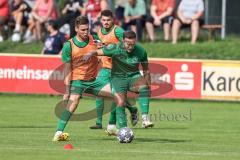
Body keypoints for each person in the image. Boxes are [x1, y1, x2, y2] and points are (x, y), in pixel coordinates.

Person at [52, 16, 128, 141]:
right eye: (83, 30)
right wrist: (66, 91)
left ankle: (115, 128)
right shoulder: (68, 46)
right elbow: (67, 69)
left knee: (119, 95)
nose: (86, 32)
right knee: (74, 102)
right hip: (78, 80)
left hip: (94, 80)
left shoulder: (94, 39)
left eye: (87, 29)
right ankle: (58, 133)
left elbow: (105, 49)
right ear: (76, 29)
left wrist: (110, 49)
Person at [84, 31, 154, 129]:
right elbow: (97, 52)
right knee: (120, 102)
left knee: (144, 87)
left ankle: (145, 119)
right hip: (118, 78)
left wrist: (149, 88)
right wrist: (90, 53)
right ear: (122, 41)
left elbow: (146, 71)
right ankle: (123, 129)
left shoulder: (141, 51)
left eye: (133, 44)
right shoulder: (114, 48)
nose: (130, 47)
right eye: (128, 44)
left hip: (133, 76)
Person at [89, 10, 138, 132]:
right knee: (97, 90)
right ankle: (101, 122)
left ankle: (112, 124)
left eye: (108, 20)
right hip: (105, 68)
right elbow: (102, 48)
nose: (106, 22)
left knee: (116, 96)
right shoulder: (99, 32)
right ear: (101, 20)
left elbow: (128, 45)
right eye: (104, 20)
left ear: (113, 20)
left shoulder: (118, 31)